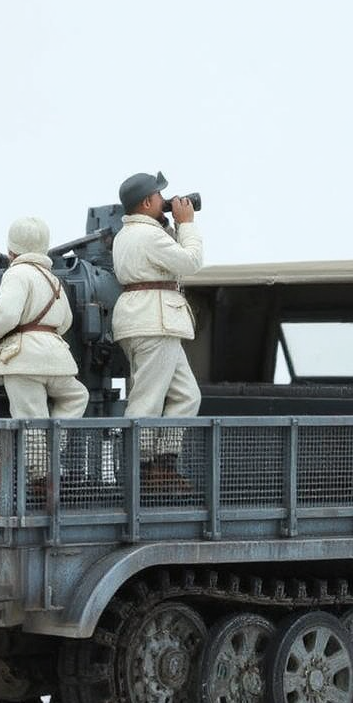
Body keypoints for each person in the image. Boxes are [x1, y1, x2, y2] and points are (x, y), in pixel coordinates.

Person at [112, 171, 203, 490]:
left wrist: (171, 224)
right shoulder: (148, 235)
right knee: (147, 399)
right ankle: (141, 470)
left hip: (152, 319)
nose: (166, 200)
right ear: (147, 202)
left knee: (187, 395)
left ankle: (163, 463)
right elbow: (191, 262)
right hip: (155, 321)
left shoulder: (131, 234)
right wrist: (186, 224)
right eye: (160, 196)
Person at [0, 216, 89, 420]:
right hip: (57, 360)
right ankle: (57, 436)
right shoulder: (53, 280)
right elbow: (65, 322)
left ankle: (39, 442)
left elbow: (5, 315)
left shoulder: (16, 273)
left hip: (23, 362)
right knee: (76, 397)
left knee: (31, 419)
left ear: (11, 250)